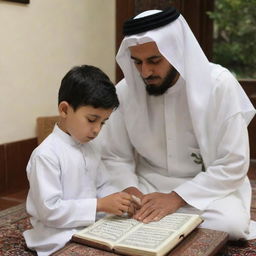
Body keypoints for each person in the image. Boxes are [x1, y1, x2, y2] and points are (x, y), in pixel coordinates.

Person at [99, 7, 256, 240]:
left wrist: (176, 198)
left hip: (205, 187)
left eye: (154, 60)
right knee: (101, 211)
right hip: (147, 185)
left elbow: (233, 163)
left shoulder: (219, 85)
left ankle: (159, 222)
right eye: (137, 62)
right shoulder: (125, 91)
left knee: (229, 225)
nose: (145, 72)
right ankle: (161, 221)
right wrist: (130, 191)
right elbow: (115, 156)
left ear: (177, 52)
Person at [23, 65, 133, 256]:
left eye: (103, 122)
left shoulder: (92, 147)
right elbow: (50, 211)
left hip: (88, 223)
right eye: (92, 120)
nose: (97, 129)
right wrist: (99, 205)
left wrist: (119, 200)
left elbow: (102, 185)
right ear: (65, 110)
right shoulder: (46, 155)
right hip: (55, 233)